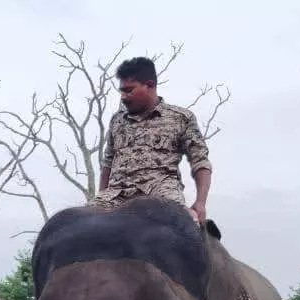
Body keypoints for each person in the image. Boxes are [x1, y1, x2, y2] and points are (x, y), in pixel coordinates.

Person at [90, 56, 212, 225]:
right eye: (121, 91)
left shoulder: (181, 118)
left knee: (186, 227)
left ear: (149, 85)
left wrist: (200, 203)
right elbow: (108, 163)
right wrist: (100, 199)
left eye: (129, 90)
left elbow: (200, 162)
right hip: (117, 194)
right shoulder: (117, 121)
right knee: (77, 225)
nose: (123, 97)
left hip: (160, 191)